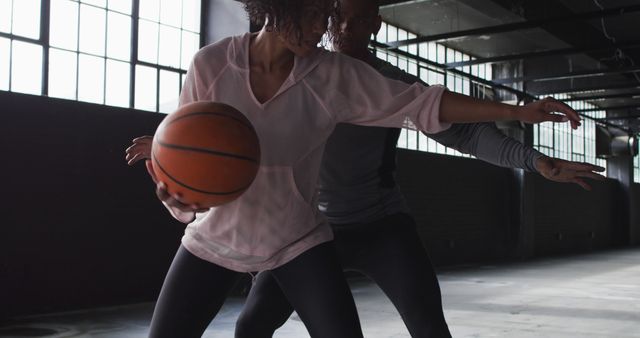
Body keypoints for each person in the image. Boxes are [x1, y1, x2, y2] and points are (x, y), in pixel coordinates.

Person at [126, 0, 585, 337]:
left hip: (315, 235)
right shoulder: (211, 64)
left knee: (400, 328)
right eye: (318, 13)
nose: (324, 26)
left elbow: (430, 107)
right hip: (226, 235)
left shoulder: (337, 76)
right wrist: (177, 187)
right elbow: (191, 158)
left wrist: (518, 115)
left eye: (329, 14)